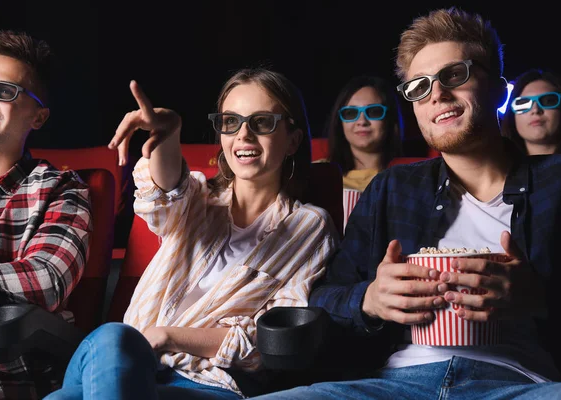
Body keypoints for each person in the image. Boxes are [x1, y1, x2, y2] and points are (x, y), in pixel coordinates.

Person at [251, 7, 561, 399]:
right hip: (396, 384)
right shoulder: (392, 189)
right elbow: (325, 297)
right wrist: (371, 300)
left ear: (498, 88)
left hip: (523, 384)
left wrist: (540, 297)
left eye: (455, 75)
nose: (437, 94)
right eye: (420, 87)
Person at [44, 68, 339, 399]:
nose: (244, 135)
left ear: (293, 140)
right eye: (231, 122)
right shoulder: (197, 197)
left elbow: (268, 341)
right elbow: (164, 192)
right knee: (114, 339)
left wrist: (167, 336)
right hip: (124, 359)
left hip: (208, 383)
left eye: (262, 122)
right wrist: (170, 135)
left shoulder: (309, 225)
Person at [0, 30, 92, 399]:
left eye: (3, 91)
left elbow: (48, 279)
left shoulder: (59, 187)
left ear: (38, 117)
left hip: (4, 368)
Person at [321, 75, 403, 229]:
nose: (361, 121)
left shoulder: (408, 178)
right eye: (350, 113)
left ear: (391, 119)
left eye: (374, 111)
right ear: (340, 123)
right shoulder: (319, 173)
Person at [501, 68, 561, 155]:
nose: (535, 110)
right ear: (512, 116)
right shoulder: (500, 167)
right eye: (523, 103)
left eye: (548, 101)